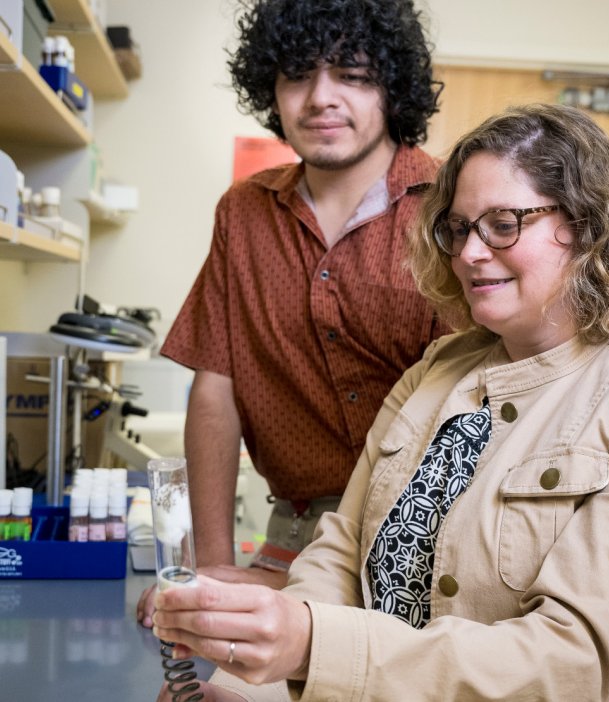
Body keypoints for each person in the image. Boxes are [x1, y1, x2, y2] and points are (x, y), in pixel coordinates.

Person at [152, 103, 609, 701]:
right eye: (458, 228)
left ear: (588, 225)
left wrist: (311, 644)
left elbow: (568, 658)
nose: (471, 253)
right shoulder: (437, 372)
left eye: (504, 223)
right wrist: (254, 690)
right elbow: (338, 559)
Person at [137, 0, 445, 627]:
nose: (320, 98)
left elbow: (478, 399)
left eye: (353, 75)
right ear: (270, 90)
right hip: (293, 527)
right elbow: (216, 386)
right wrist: (213, 567)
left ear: (393, 86)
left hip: (433, 536)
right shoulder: (244, 213)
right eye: (298, 75)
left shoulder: (450, 208)